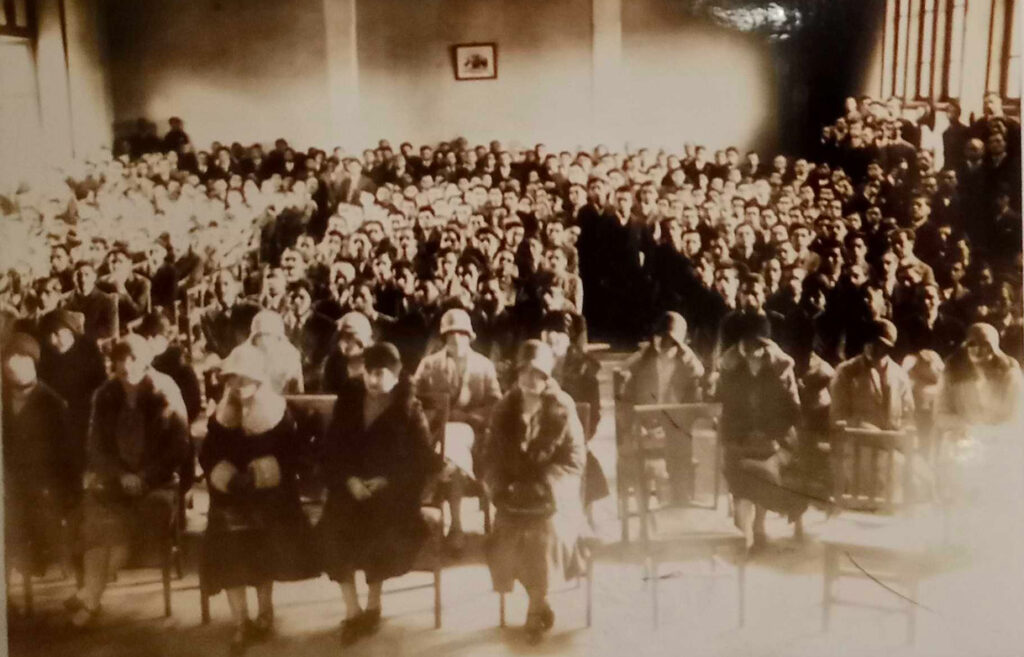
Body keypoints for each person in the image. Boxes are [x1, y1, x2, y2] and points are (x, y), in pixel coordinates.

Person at [317, 342, 442, 646]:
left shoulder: (409, 407)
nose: (373, 381)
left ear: (397, 375)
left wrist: (388, 481)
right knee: (333, 529)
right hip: (350, 489)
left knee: (382, 532)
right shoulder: (349, 398)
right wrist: (349, 480)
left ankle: (373, 606)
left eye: (381, 374)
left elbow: (421, 458)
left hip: (392, 495)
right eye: (368, 373)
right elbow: (332, 448)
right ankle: (352, 609)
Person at [199, 344, 319, 655]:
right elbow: (209, 453)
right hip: (232, 495)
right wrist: (224, 475)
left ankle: (265, 612)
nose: (239, 387)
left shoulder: (278, 414)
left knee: (263, 536)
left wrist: (261, 473)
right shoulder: (221, 416)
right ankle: (241, 620)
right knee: (226, 539)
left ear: (260, 379)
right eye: (233, 380)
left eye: (245, 379)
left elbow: (294, 457)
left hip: (270, 495)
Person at [67, 334, 190, 628]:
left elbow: (179, 446)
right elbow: (95, 447)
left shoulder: (165, 389)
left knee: (125, 522)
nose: (126, 366)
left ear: (146, 360)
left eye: (133, 359)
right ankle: (91, 597)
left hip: (158, 482)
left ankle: (90, 597)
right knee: (98, 521)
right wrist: (120, 475)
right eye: (120, 360)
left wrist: (145, 477)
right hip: (117, 481)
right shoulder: (106, 394)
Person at [480, 340, 589, 644]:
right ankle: (541, 603)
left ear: (548, 376)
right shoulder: (504, 409)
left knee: (541, 537)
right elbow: (490, 457)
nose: (530, 380)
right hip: (514, 498)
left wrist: (545, 485)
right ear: (516, 375)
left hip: (553, 498)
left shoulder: (562, 407)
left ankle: (533, 610)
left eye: (538, 373)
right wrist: (501, 488)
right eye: (524, 372)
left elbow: (575, 460)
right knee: (507, 538)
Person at [412, 308, 502, 552]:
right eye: (450, 335)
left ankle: (441, 489)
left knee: (452, 444)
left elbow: (496, 404)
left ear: (470, 336)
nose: (456, 340)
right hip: (434, 432)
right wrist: (438, 415)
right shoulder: (429, 365)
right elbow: (413, 400)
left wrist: (470, 417)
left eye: (461, 334)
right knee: (449, 448)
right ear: (443, 338)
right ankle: (456, 527)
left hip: (473, 433)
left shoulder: (483, 366)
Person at [716, 315, 805, 551]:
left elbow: (793, 410)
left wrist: (771, 435)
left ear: (766, 344)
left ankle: (759, 525)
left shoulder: (782, 366)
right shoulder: (728, 366)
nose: (751, 349)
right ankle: (745, 533)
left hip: (776, 439)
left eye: (757, 344)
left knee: (766, 467)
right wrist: (742, 437)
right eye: (745, 344)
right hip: (739, 437)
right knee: (739, 464)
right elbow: (724, 408)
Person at [2, 333, 72, 582]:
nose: (12, 364)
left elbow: (65, 460)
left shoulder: (52, 404)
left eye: (20, 358)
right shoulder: (3, 400)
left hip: (43, 486)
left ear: (33, 362)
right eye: (8, 358)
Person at [618, 311, 705, 505]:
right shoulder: (643, 361)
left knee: (680, 444)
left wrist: (687, 356)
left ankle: (679, 496)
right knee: (638, 451)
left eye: (671, 341)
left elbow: (694, 402)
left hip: (674, 423)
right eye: (662, 339)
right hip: (644, 422)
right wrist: (633, 424)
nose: (665, 345)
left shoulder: (686, 364)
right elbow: (626, 397)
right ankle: (645, 500)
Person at [830, 319, 915, 430]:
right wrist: (859, 425)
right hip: (856, 441)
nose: (871, 347)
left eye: (878, 344)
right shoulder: (846, 371)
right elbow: (837, 416)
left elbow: (908, 416)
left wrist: (901, 429)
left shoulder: (900, 376)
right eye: (868, 341)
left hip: (890, 443)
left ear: (889, 348)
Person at [247, 310, 304, 394]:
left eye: (268, 336)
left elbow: (298, 394)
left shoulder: (290, 356)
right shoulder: (246, 356)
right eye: (259, 336)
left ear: (278, 338)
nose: (264, 341)